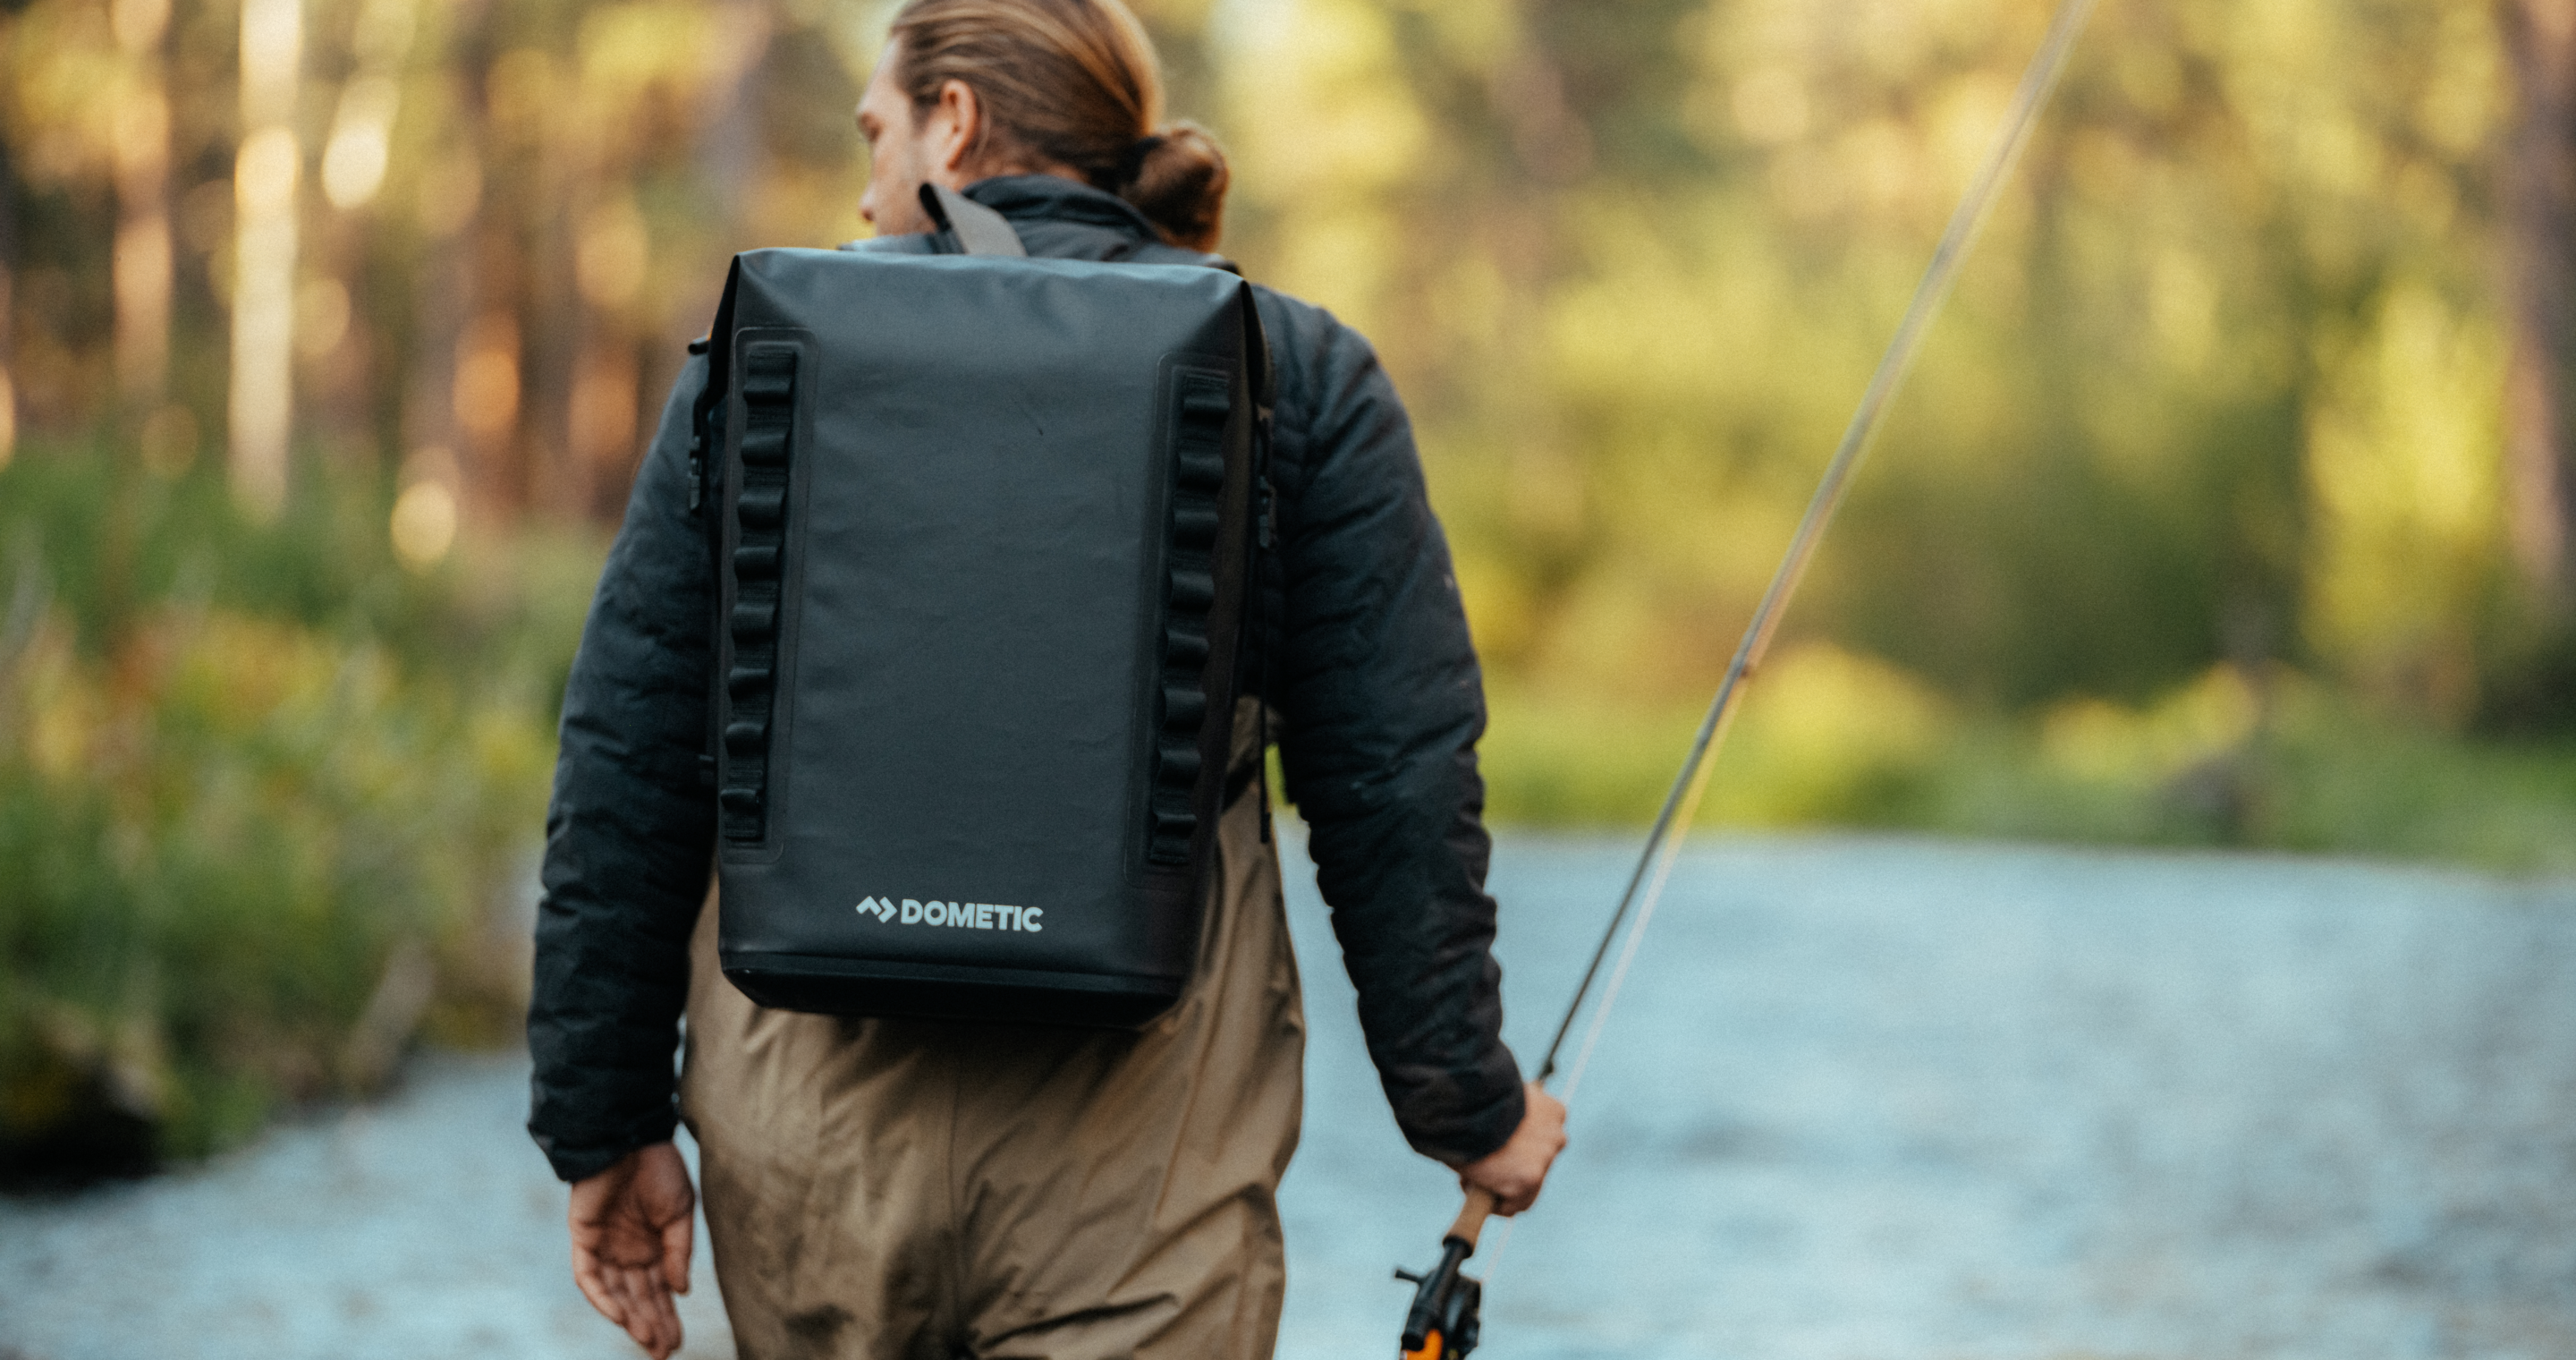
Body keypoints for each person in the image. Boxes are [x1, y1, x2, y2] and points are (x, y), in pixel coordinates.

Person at [525, 2, 1565, 1356]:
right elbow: (1394, 786)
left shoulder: (763, 352)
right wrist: (1468, 1108)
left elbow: (633, 750)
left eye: (875, 131)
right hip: (1144, 1158)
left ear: (954, 121)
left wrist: (601, 1120)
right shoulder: (1298, 373)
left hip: (815, 1145)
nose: (862, 182)